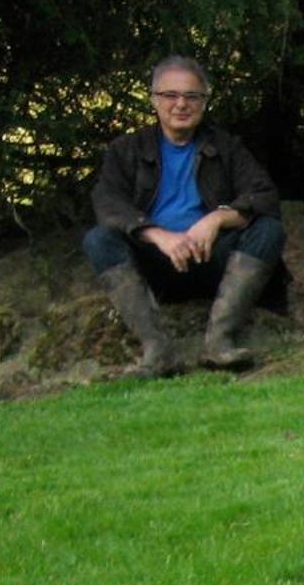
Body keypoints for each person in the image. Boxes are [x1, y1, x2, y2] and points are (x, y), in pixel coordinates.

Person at [83, 56, 286, 377]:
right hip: (155, 264)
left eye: (192, 96)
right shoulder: (127, 150)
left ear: (205, 101)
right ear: (154, 99)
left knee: (269, 230)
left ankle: (219, 342)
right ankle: (157, 350)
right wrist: (156, 234)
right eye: (170, 95)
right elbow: (107, 204)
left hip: (214, 260)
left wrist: (217, 219)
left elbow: (264, 196)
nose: (181, 104)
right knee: (98, 239)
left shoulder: (226, 147)